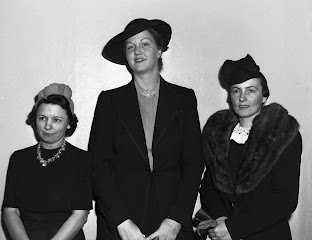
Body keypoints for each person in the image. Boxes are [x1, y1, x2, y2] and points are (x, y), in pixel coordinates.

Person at [88, 18, 204, 240]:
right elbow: (99, 166)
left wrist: (176, 220)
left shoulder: (184, 99)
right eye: (130, 46)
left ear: (159, 50)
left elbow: (194, 163)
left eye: (144, 44)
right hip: (122, 223)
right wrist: (121, 222)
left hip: (171, 222)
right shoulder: (108, 101)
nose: (137, 51)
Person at [197, 54, 302, 240]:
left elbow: (285, 200)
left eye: (251, 90)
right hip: (221, 234)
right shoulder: (216, 132)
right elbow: (208, 185)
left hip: (267, 235)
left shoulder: (283, 134)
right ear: (230, 96)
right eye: (236, 91)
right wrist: (221, 220)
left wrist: (235, 228)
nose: (242, 98)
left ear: (264, 96)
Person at [2, 83, 92, 240]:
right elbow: (10, 211)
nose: (47, 126)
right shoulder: (18, 159)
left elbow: (80, 215)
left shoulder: (82, 159)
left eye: (56, 120)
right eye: (42, 118)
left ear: (69, 123)